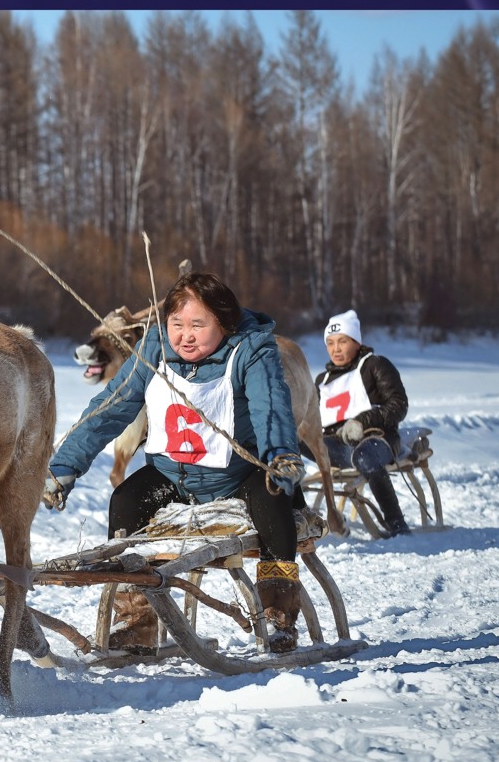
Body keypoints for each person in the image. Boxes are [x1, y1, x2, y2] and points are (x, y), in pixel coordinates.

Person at [42, 272, 306, 653]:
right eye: (177, 324)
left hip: (239, 473)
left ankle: (278, 616)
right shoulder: (154, 348)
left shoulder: (252, 350)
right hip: (174, 475)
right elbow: (113, 406)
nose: (185, 335)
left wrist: (280, 457)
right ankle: (138, 621)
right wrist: (63, 467)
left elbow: (270, 407)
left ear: (224, 323)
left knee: (274, 503)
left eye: (198, 325)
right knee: (126, 501)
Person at [316, 310, 410, 538]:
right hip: (339, 446)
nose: (335, 349)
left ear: (356, 341)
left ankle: (397, 525)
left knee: (364, 456)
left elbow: (399, 404)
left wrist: (362, 421)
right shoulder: (323, 381)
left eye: (342, 341)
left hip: (379, 440)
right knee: (291, 444)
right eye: (330, 343)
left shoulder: (375, 365)